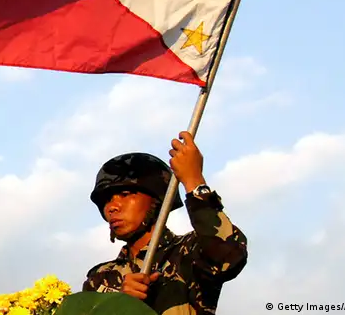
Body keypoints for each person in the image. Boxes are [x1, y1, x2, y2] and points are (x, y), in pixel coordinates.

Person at [82, 131, 247, 315]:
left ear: (157, 200)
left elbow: (229, 255)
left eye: (125, 195)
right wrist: (118, 306)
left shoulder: (189, 251)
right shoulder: (100, 278)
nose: (112, 207)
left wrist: (193, 180)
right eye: (106, 201)